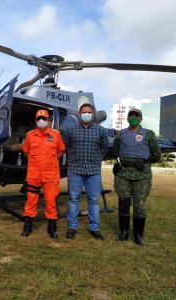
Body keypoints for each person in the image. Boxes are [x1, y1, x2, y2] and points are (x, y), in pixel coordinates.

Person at [112, 108, 161, 246]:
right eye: (131, 115)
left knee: (139, 205)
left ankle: (139, 235)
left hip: (141, 175)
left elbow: (157, 155)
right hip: (123, 174)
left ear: (141, 118)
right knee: (123, 203)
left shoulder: (149, 134)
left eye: (136, 116)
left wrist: (145, 161)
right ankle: (124, 232)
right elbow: (115, 151)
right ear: (127, 118)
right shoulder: (121, 134)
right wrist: (117, 164)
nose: (133, 118)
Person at [62, 97, 109, 240]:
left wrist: (96, 160)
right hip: (75, 170)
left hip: (93, 171)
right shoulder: (70, 130)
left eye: (89, 112)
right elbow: (67, 147)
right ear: (79, 113)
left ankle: (94, 228)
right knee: (73, 199)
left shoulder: (101, 131)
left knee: (93, 200)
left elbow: (104, 148)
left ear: (93, 114)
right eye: (84, 112)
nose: (87, 114)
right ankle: (72, 227)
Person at [21, 109, 65, 238]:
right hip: (34, 175)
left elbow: (61, 150)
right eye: (39, 119)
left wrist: (51, 160)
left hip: (51, 175)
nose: (41, 121)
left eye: (44, 119)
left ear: (48, 120)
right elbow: (25, 151)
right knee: (31, 200)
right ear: (35, 120)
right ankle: (28, 225)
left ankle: (52, 226)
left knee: (51, 201)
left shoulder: (56, 135)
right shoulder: (29, 135)